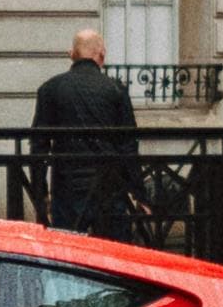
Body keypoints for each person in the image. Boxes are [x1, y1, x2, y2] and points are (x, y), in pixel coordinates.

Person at [30, 24, 142, 240]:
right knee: (113, 256)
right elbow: (128, 145)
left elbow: (39, 146)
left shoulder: (50, 89)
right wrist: (139, 192)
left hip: (67, 187)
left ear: (71, 55)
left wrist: (40, 194)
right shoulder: (116, 90)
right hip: (109, 188)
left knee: (69, 254)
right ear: (102, 55)